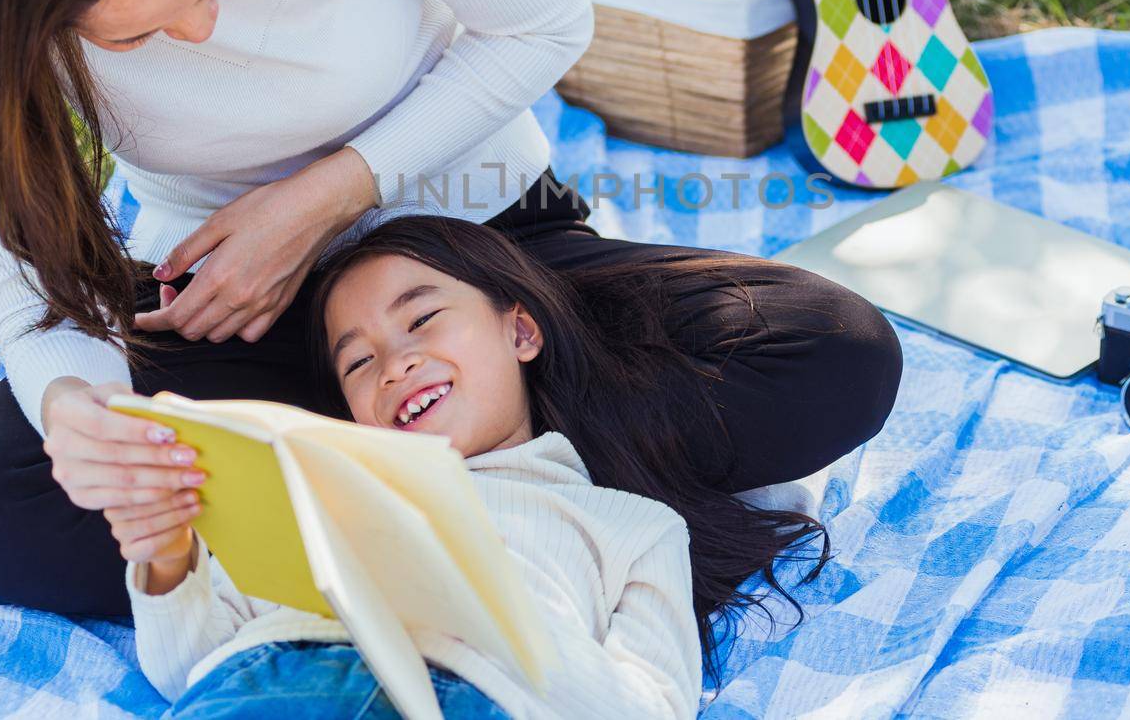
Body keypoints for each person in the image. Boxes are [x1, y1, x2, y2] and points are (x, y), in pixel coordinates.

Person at [0, 0, 903, 617]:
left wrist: (325, 198)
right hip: (228, 310)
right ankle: (507, 517)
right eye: (137, 37)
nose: (203, 30)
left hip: (478, 244)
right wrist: (83, 423)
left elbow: (543, 21)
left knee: (831, 352)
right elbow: (37, 289)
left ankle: (338, 531)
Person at [114, 214, 830, 719]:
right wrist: (166, 560)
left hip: (469, 695)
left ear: (520, 330)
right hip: (265, 685)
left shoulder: (633, 527)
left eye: (421, 319)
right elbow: (188, 670)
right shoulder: (318, 485)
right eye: (358, 361)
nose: (395, 365)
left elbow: (649, 708)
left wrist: (491, 609)